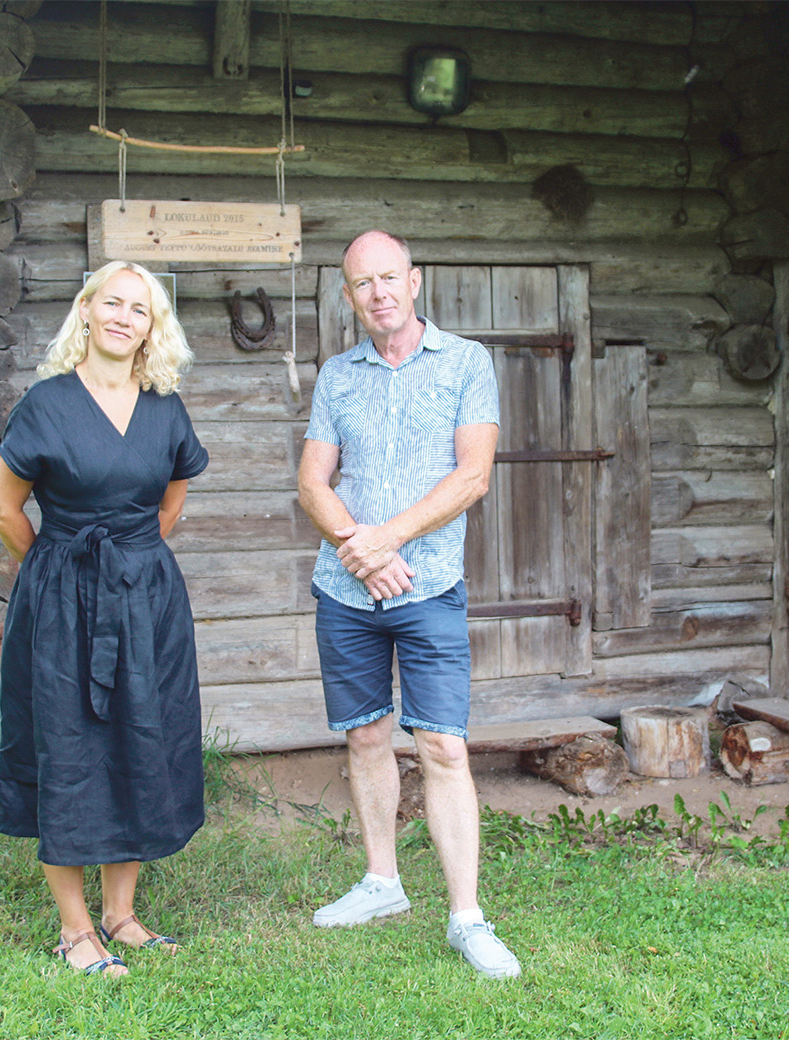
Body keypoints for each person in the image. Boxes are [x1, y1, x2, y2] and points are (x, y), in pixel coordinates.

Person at [297, 229, 520, 979]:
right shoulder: (337, 376)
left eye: (389, 278)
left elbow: (473, 476)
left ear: (414, 281)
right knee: (365, 736)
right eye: (363, 283)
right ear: (350, 296)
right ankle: (381, 883)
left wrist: (385, 540)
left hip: (429, 586)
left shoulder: (466, 362)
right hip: (347, 589)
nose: (379, 293)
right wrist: (358, 550)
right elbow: (312, 482)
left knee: (443, 745)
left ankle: (467, 918)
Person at [0, 260, 209, 978]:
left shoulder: (165, 407)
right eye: (112, 302)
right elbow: (3, 509)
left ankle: (121, 915)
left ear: (152, 328)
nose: (123, 318)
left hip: (146, 599)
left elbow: (171, 500)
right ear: (85, 309)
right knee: (68, 747)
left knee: (141, 738)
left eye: (139, 310)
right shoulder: (46, 404)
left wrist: (130, 564)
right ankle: (75, 929)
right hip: (61, 602)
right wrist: (60, 570)